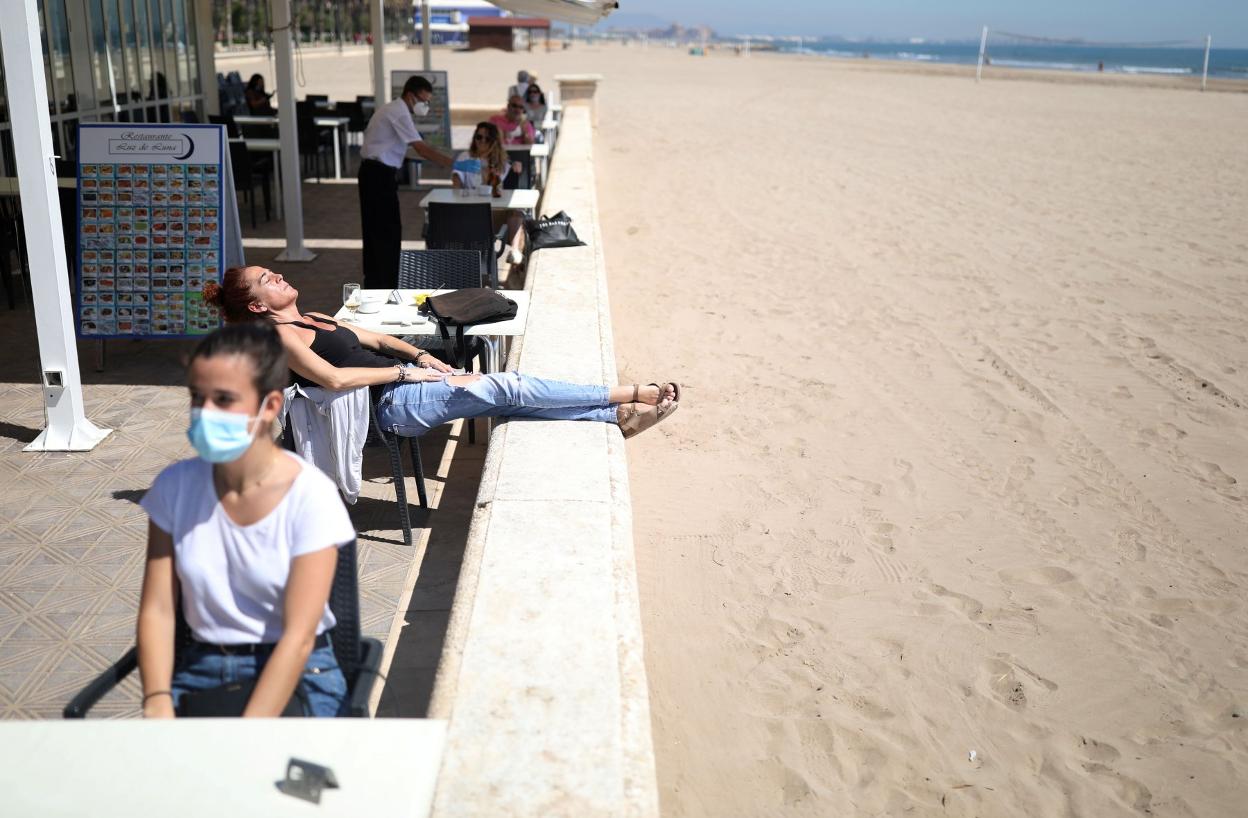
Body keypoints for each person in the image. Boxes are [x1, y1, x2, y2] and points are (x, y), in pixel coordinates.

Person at [137, 323, 357, 718]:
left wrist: (246, 732)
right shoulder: (174, 488)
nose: (205, 413)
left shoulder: (310, 496)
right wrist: (156, 700)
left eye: (223, 399)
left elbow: (299, 637)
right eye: (197, 397)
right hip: (202, 670)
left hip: (302, 673)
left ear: (269, 406)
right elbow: (157, 609)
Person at [202, 266, 681, 440]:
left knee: (503, 399)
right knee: (504, 385)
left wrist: (421, 357)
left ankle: (614, 418)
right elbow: (333, 380)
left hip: (409, 385)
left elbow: (379, 339)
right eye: (268, 279)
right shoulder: (279, 339)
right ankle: (629, 391)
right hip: (388, 408)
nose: (279, 276)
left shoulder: (316, 318)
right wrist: (403, 377)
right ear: (259, 305)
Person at [358, 75, 453, 290]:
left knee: (376, 229)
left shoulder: (393, 109)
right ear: (411, 95)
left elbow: (405, 148)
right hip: (377, 175)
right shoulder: (399, 112)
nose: (425, 106)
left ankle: (375, 282)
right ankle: (385, 285)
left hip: (375, 172)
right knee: (387, 231)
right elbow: (421, 148)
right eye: (424, 100)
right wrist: (454, 164)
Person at [450, 122, 526, 266]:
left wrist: (514, 171)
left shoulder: (502, 162)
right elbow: (456, 185)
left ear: (494, 141)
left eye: (487, 139)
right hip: (470, 213)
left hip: (494, 213)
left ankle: (514, 252)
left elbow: (506, 191)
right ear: (474, 139)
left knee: (517, 213)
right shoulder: (465, 157)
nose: (482, 141)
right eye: (479, 137)